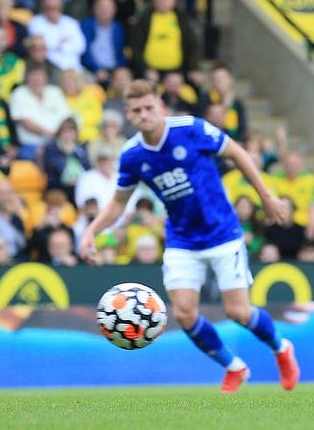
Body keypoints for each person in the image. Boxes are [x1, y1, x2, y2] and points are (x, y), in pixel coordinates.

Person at [77, 80, 298, 394]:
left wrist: (266, 196)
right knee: (183, 313)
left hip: (222, 232)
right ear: (128, 114)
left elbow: (236, 152)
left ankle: (281, 348)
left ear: (161, 107)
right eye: (137, 110)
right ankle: (233, 367)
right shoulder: (132, 155)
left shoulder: (191, 129)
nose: (144, 115)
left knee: (238, 311)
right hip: (182, 239)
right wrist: (90, 231)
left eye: (149, 107)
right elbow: (117, 204)